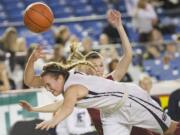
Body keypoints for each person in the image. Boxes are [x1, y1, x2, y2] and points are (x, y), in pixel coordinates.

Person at [20, 10, 178, 135]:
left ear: (60, 77)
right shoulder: (68, 82)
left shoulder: (73, 89)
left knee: (170, 130)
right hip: (110, 113)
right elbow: (30, 82)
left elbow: (66, 109)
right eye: (94, 65)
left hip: (129, 101)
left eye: (48, 84)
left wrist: (52, 122)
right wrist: (31, 61)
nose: (47, 87)